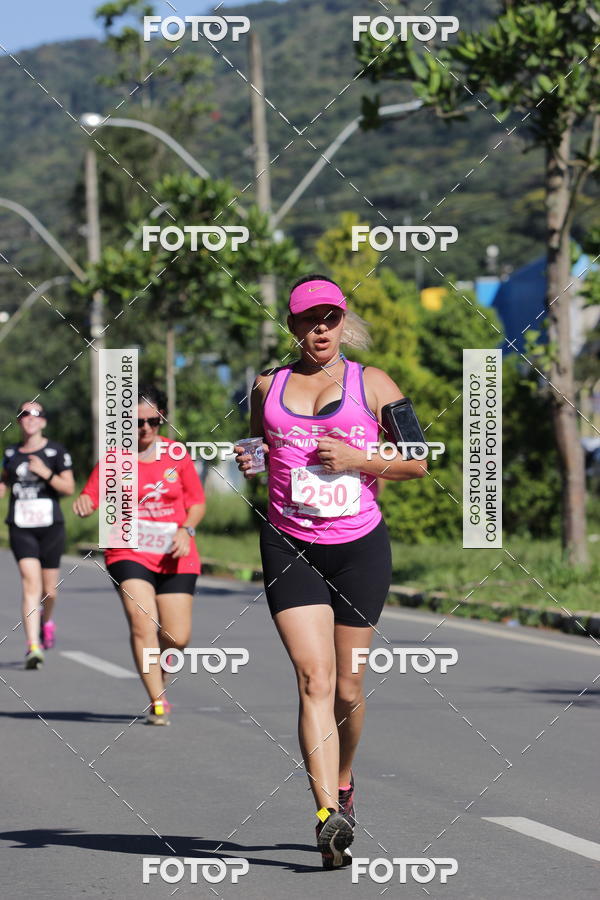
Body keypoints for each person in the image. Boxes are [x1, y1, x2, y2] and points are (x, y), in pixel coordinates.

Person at [235, 274, 427, 869]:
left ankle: (343, 781)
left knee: (347, 686)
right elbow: (258, 445)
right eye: (307, 320)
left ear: (343, 321)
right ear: (291, 326)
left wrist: (359, 459)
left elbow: (418, 462)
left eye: (329, 318)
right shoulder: (266, 384)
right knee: (313, 679)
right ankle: (327, 815)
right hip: (289, 543)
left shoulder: (374, 385)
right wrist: (251, 458)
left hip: (359, 548)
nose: (320, 329)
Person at [73, 385, 206, 725]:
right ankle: (157, 700)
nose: (144, 428)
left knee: (177, 637)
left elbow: (197, 503)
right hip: (128, 551)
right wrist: (86, 504)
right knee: (142, 622)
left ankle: (157, 677)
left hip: (175, 551)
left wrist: (185, 529)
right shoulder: (115, 461)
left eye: (151, 421)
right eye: (136, 423)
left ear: (161, 419)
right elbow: (90, 496)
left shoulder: (177, 454)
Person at [0, 401, 75, 669]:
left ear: (43, 422)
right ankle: (33, 646)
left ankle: (47, 622)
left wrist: (45, 473)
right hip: (21, 526)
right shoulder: (10, 453)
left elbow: (68, 487)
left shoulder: (56, 451)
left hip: (50, 526)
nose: (29, 418)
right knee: (30, 585)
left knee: (49, 591)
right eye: (23, 414)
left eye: (35, 414)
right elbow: (5, 482)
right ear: (19, 421)